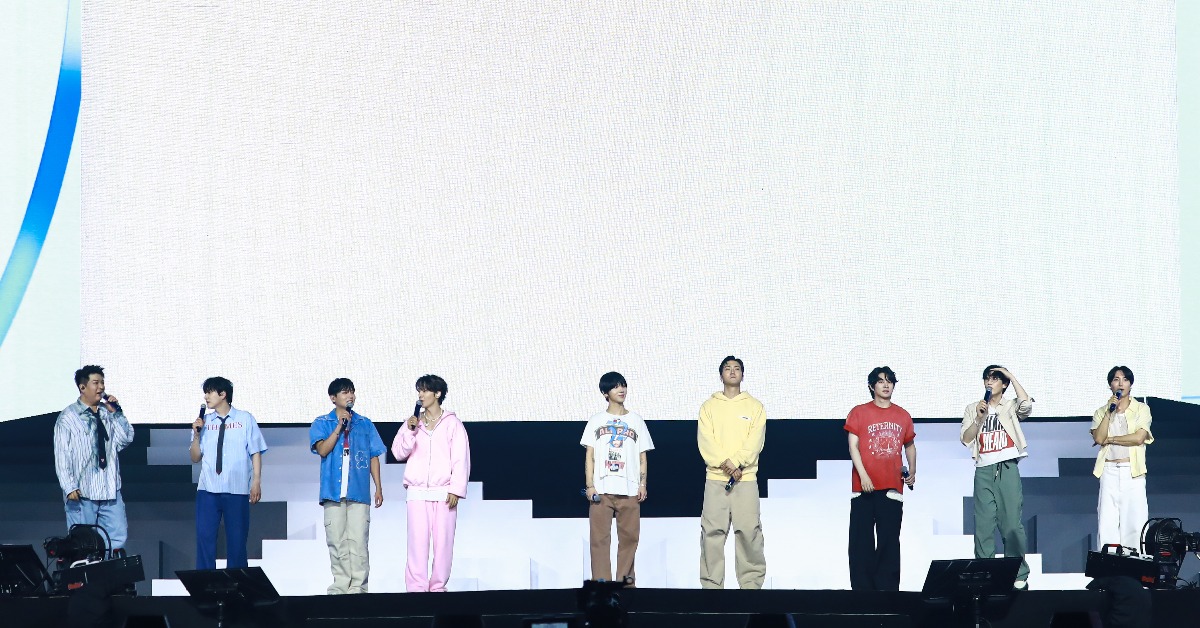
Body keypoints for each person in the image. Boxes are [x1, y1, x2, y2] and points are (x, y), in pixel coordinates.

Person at [391, 374, 471, 593]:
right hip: (417, 492)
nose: (421, 395)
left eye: (425, 390)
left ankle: (437, 587)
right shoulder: (412, 423)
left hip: (444, 492)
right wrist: (410, 431)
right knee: (417, 543)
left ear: (437, 394)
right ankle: (416, 589)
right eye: (419, 390)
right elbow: (398, 452)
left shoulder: (453, 424)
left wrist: (456, 489)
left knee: (443, 544)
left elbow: (461, 458)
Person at [310, 378, 386, 594]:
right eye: (345, 392)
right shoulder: (322, 422)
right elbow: (323, 450)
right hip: (332, 492)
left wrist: (378, 487)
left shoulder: (365, 424)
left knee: (358, 541)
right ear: (333, 398)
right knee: (337, 541)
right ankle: (340, 586)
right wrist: (338, 427)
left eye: (352, 392)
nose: (350, 396)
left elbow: (373, 456)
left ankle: (358, 588)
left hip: (358, 492)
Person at [960, 365, 1033, 590]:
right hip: (983, 470)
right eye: (987, 379)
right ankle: (985, 573)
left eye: (995, 378)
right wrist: (978, 419)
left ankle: (1017, 572)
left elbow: (1026, 405)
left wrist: (1011, 375)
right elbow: (966, 438)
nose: (990, 382)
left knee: (1011, 524)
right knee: (983, 526)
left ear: (1004, 384)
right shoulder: (973, 408)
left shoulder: (1009, 405)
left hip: (1007, 467)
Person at [697, 355, 766, 589]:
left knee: (749, 531)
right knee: (712, 533)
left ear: (742, 375)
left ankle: (751, 584)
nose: (733, 371)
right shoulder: (709, 407)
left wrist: (736, 463)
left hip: (745, 479)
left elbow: (755, 442)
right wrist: (726, 464)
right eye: (728, 368)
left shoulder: (755, 406)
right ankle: (711, 586)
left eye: (737, 368)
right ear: (721, 375)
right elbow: (706, 441)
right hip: (716, 479)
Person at [845, 366, 916, 591]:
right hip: (863, 488)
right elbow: (853, 446)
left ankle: (888, 594)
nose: (886, 385)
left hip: (892, 488)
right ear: (871, 386)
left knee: (889, 543)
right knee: (861, 543)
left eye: (890, 381)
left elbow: (909, 445)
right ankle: (862, 594)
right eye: (881, 381)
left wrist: (913, 470)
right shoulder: (859, 412)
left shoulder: (902, 415)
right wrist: (863, 476)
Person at [581, 371, 655, 585]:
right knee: (599, 541)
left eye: (623, 385)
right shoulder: (596, 420)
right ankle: (601, 587)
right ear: (605, 393)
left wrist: (643, 483)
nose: (621, 390)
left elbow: (642, 456)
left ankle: (625, 587)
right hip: (601, 490)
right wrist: (589, 485)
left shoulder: (636, 420)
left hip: (629, 488)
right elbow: (590, 456)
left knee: (629, 540)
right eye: (615, 387)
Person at [53, 365, 136, 554]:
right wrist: (69, 486)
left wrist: (117, 413)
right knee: (84, 543)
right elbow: (62, 454)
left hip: (110, 489)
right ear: (82, 387)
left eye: (102, 383)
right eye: (96, 383)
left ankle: (112, 571)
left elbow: (125, 439)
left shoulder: (108, 413)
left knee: (116, 539)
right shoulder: (68, 417)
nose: (101, 387)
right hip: (83, 491)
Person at [189, 376, 267, 570]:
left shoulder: (245, 419)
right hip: (208, 489)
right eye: (205, 393)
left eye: (209, 392)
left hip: (236, 489)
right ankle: (206, 583)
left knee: (237, 542)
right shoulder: (204, 422)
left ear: (223, 394)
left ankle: (237, 583)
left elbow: (255, 451)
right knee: (205, 539)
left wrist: (256, 481)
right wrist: (196, 435)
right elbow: (195, 457)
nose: (206, 397)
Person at [1090, 366, 1153, 550]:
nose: (1120, 383)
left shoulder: (1141, 409)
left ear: (1130, 384)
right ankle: (1107, 563)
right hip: (1108, 471)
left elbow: (1139, 437)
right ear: (1110, 385)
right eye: (1116, 380)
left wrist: (1111, 439)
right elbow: (1098, 438)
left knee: (1135, 524)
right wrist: (1109, 413)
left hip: (1132, 472)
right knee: (1107, 523)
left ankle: (1135, 563)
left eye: (1125, 379)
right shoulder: (1101, 412)